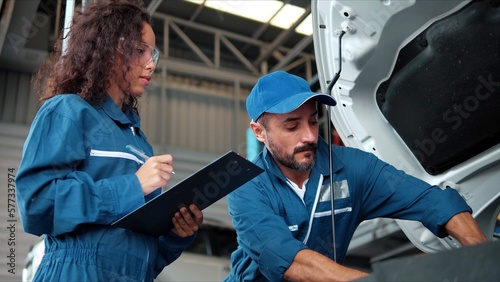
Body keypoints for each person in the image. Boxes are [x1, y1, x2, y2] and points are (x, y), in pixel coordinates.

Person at [225, 70, 487, 281]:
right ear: (259, 132)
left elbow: (430, 201)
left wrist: (482, 256)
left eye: (313, 121)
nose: (309, 136)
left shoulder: (352, 169)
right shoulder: (246, 185)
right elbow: (291, 262)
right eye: (292, 126)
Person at [15, 1, 203, 281]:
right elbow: (37, 204)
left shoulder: (140, 144)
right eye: (140, 50)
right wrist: (133, 185)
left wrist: (176, 236)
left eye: (153, 54)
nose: (151, 64)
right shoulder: (67, 111)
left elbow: (143, 261)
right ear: (110, 48)